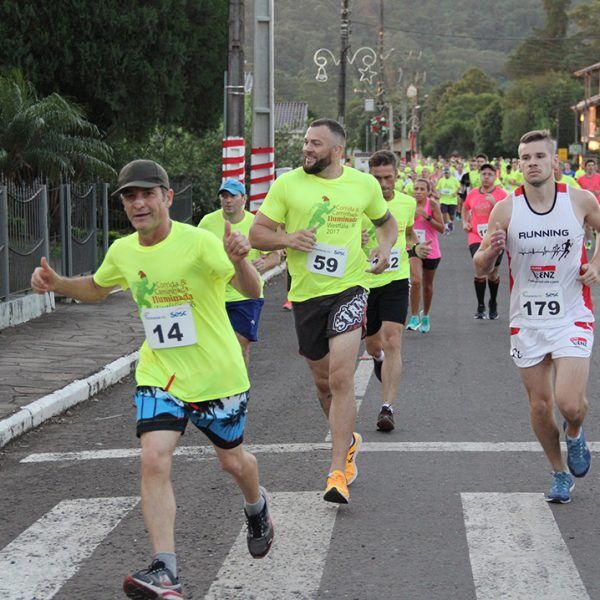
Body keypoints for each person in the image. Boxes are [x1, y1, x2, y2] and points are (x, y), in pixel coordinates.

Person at [31, 160, 274, 599]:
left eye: (147, 194)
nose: (138, 203)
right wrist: (58, 283)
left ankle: (257, 507)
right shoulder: (123, 251)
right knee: (153, 458)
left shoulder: (199, 242)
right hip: (160, 373)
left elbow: (252, 289)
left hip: (217, 375)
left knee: (233, 462)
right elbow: (99, 287)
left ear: (167, 197)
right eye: (129, 196)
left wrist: (241, 262)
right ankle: (166, 569)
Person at [249, 118, 398, 504]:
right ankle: (348, 441)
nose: (307, 149)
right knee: (322, 383)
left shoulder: (362, 185)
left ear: (337, 151)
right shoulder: (288, 185)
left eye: (315, 143)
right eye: (305, 143)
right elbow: (257, 233)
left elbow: (386, 223)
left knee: (341, 377)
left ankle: (336, 473)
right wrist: (287, 238)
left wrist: (383, 248)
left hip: (350, 288)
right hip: (306, 295)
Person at [474, 130, 600, 504]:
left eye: (539, 157)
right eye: (525, 158)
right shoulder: (506, 209)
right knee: (541, 406)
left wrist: (595, 263)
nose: (532, 163)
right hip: (527, 319)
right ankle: (559, 472)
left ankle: (575, 433)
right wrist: (491, 253)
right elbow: (479, 266)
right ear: (518, 165)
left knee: (570, 404)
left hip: (572, 314)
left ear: (554, 163)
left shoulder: (579, 200)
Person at [362, 150, 431, 432]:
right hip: (364, 281)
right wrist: (360, 240)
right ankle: (377, 360)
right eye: (377, 178)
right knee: (373, 345)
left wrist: (415, 247)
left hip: (395, 279)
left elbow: (409, 232)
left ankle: (386, 408)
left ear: (396, 175)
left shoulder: (405, 203)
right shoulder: (359, 205)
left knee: (393, 340)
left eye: (388, 177)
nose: (382, 183)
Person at [198, 178, 281, 365]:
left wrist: (264, 264)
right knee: (215, 347)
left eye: (232, 196)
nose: (228, 200)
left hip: (246, 296)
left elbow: (275, 256)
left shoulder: (256, 224)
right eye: (224, 196)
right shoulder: (207, 222)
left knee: (240, 344)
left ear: (243, 198)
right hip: (215, 295)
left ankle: (240, 388)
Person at [462, 163, 508, 319]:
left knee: (493, 272)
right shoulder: (473, 193)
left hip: (495, 237)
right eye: (484, 174)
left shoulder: (502, 194)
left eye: (490, 174)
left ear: (495, 176)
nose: (486, 177)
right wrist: (464, 222)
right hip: (475, 236)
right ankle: (480, 305)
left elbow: (509, 214)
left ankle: (493, 302)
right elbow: (465, 207)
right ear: (479, 176)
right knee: (479, 268)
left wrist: (495, 204)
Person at [406, 178, 444, 331]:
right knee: (415, 281)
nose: (418, 192)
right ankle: (414, 317)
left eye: (422, 189)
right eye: (416, 188)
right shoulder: (408, 204)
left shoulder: (433, 205)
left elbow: (441, 228)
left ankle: (425, 315)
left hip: (430, 249)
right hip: (414, 247)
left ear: (428, 191)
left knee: (427, 286)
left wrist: (427, 216)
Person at [436, 166, 460, 233]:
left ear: (450, 173)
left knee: (451, 215)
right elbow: (437, 188)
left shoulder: (454, 179)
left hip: (452, 200)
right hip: (443, 200)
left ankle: (451, 223)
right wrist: (438, 194)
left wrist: (456, 192)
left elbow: (459, 187)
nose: (446, 174)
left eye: (447, 173)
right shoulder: (441, 180)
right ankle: (446, 227)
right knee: (444, 213)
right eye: (445, 173)